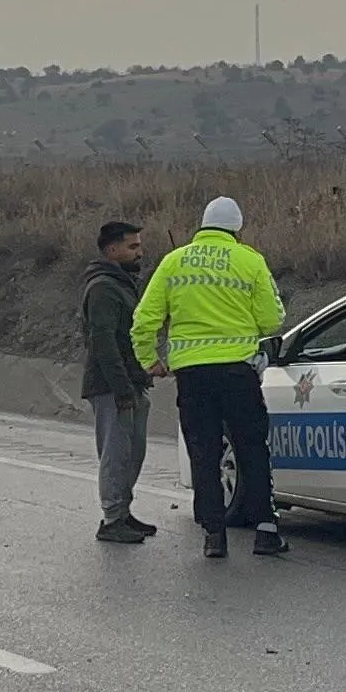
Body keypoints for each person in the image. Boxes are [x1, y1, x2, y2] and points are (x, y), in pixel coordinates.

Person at [131, 196, 285, 558]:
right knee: (251, 448)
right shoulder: (250, 261)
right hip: (238, 373)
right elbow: (271, 321)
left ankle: (214, 535)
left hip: (193, 375)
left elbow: (144, 320)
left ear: (202, 225)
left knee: (204, 452)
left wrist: (149, 360)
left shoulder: (173, 262)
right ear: (237, 229)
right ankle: (265, 529)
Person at [80, 220, 157, 544]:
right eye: (132, 246)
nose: (139, 252)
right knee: (116, 454)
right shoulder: (103, 287)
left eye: (139, 245)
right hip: (112, 386)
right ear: (112, 250)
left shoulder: (122, 283)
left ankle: (123, 512)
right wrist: (123, 388)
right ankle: (112, 518)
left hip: (130, 382)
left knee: (132, 452)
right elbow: (104, 343)